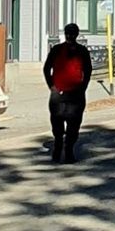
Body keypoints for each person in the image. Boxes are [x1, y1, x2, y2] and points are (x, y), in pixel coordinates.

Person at [43, 23, 92, 164]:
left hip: (76, 93)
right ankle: (58, 147)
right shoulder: (57, 50)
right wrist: (51, 86)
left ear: (77, 35)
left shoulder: (82, 51)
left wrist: (83, 86)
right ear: (64, 34)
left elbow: (88, 70)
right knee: (57, 123)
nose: (70, 36)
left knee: (74, 125)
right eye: (68, 33)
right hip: (58, 93)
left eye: (72, 33)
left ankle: (69, 150)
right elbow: (47, 68)